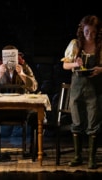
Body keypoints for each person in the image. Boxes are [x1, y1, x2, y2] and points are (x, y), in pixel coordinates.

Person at [61, 15, 102, 169]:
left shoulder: (100, 46)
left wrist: (100, 69)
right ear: (82, 30)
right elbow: (65, 66)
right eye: (86, 31)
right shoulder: (75, 44)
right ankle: (77, 156)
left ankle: (92, 158)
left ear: (97, 32)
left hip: (95, 88)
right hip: (77, 87)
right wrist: (74, 64)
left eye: (92, 32)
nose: (89, 35)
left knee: (93, 123)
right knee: (76, 122)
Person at [0, 44, 38, 153]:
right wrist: (0, 73)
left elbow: (34, 87)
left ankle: (35, 146)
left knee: (38, 115)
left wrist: (22, 74)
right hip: (2, 109)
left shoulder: (24, 66)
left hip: (22, 108)